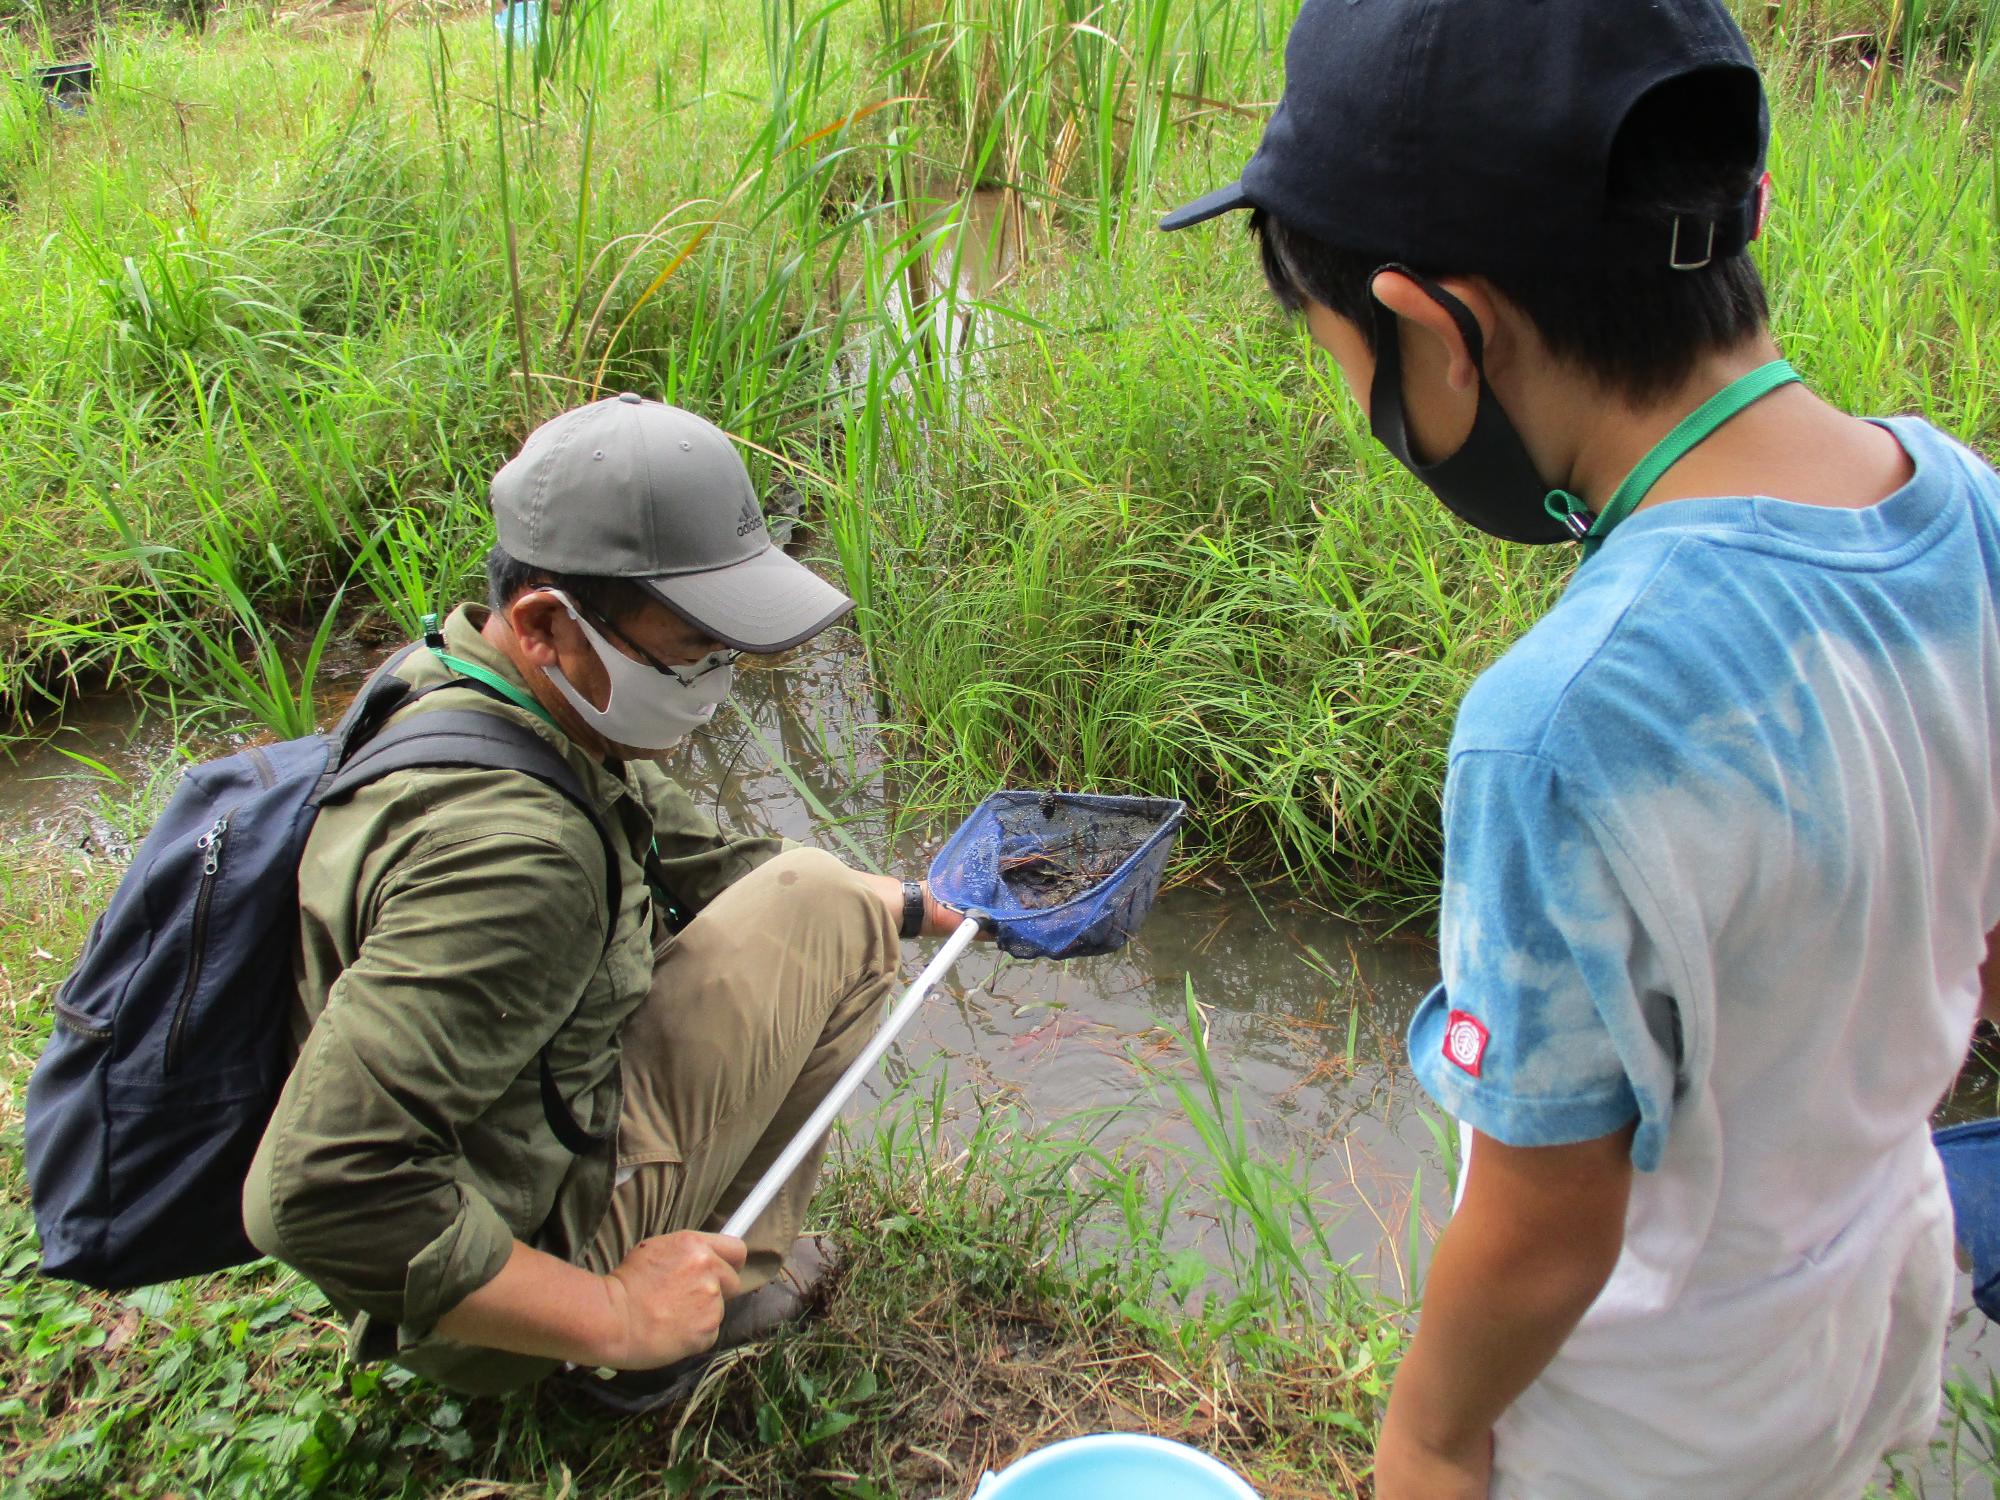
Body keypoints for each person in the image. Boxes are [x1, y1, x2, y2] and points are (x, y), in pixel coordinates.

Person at [1161, 1, 2000, 1496]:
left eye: (1346, 359)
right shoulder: (1966, 511)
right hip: (1862, 1302)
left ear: (1438, 329)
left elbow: (1549, 1227)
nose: (1362, 405)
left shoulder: (1568, 724)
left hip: (1650, 1424)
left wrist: (1426, 1432)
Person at [243, 393, 964, 1407]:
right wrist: (616, 1316)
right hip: (497, 1282)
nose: (718, 681)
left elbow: (686, 845)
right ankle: (657, 1332)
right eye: (693, 648)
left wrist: (911, 899)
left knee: (832, 897)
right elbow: (315, 1193)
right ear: (548, 622)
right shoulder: (515, 858)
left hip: (503, 1152)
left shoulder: (461, 679)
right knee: (823, 910)